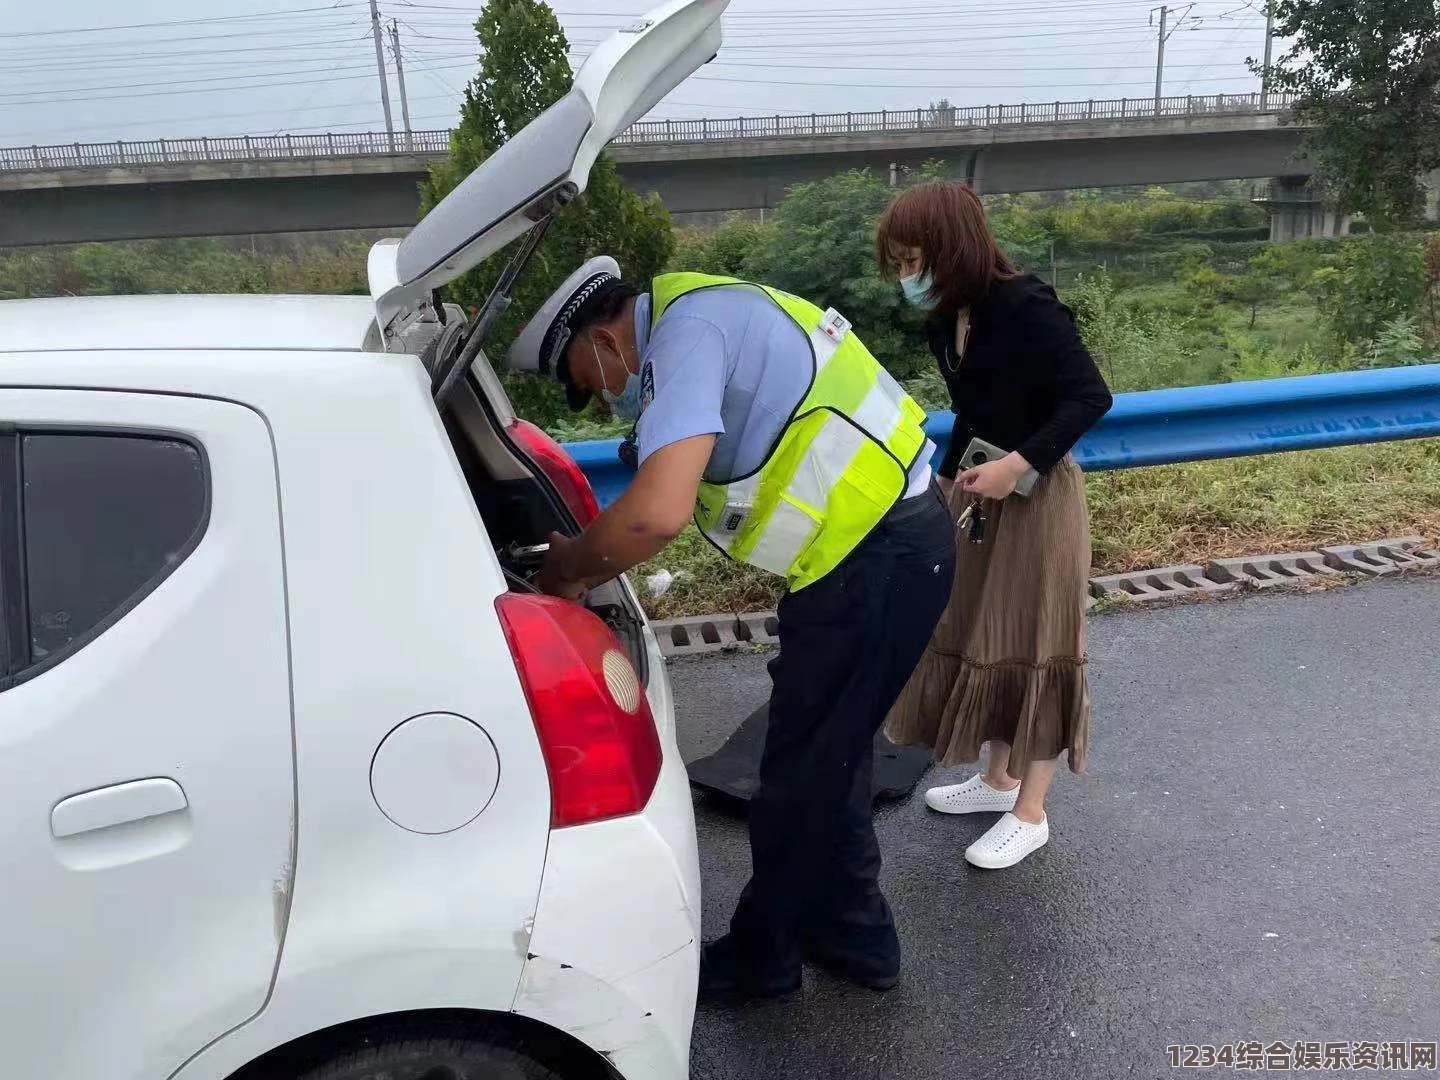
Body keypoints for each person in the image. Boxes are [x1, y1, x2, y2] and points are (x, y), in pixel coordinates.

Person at [508, 256, 956, 998]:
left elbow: (657, 510)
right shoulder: (704, 312)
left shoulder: (686, 334)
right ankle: (856, 935)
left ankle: (764, 958)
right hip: (873, 551)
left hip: (876, 557)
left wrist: (567, 572)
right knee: (827, 754)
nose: (599, 399)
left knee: (799, 774)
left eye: (586, 382)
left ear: (601, 341)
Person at [874, 180, 1113, 870]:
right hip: (983, 492)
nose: (906, 275)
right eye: (898, 262)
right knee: (986, 629)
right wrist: (946, 479)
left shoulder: (1024, 304)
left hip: (1039, 496)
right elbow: (970, 408)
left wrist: (1018, 463)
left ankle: (1030, 811)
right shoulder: (947, 315)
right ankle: (997, 778)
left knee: (1038, 641)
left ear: (952, 248)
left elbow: (1090, 396)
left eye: (913, 257)